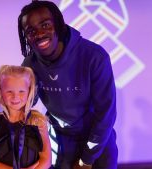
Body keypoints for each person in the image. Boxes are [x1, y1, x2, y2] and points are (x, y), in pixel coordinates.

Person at [18, 1, 118, 169]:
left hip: (97, 137)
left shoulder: (94, 56)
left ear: (58, 24)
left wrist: (87, 159)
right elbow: (26, 104)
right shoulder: (30, 64)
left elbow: (105, 114)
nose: (39, 34)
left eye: (45, 25)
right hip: (61, 139)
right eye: (30, 31)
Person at [0, 65, 51, 169]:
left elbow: (46, 159)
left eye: (21, 91)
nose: (15, 96)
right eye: (9, 91)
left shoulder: (38, 121)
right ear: (1, 92)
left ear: (29, 91)